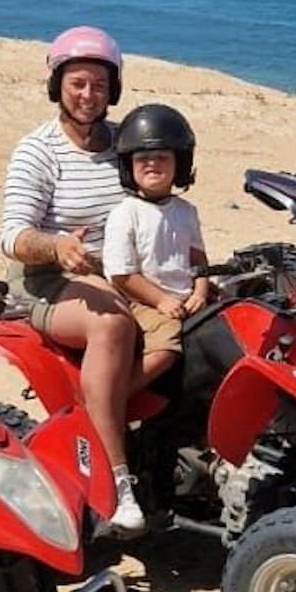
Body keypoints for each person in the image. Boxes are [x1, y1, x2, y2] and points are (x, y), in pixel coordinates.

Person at [0, 25, 162, 533]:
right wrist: (58, 246)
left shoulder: (126, 145)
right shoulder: (38, 151)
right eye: (77, 84)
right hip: (47, 280)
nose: (88, 96)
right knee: (113, 326)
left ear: (113, 89)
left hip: (121, 274)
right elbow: (12, 235)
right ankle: (116, 481)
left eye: (98, 85)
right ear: (58, 85)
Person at [102, 103, 212, 392]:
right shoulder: (126, 213)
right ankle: (118, 397)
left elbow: (198, 258)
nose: (153, 163)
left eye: (162, 157)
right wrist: (161, 300)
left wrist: (201, 290)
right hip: (142, 300)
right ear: (129, 167)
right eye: (143, 158)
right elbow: (121, 275)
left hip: (185, 296)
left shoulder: (187, 210)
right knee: (166, 346)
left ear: (180, 164)